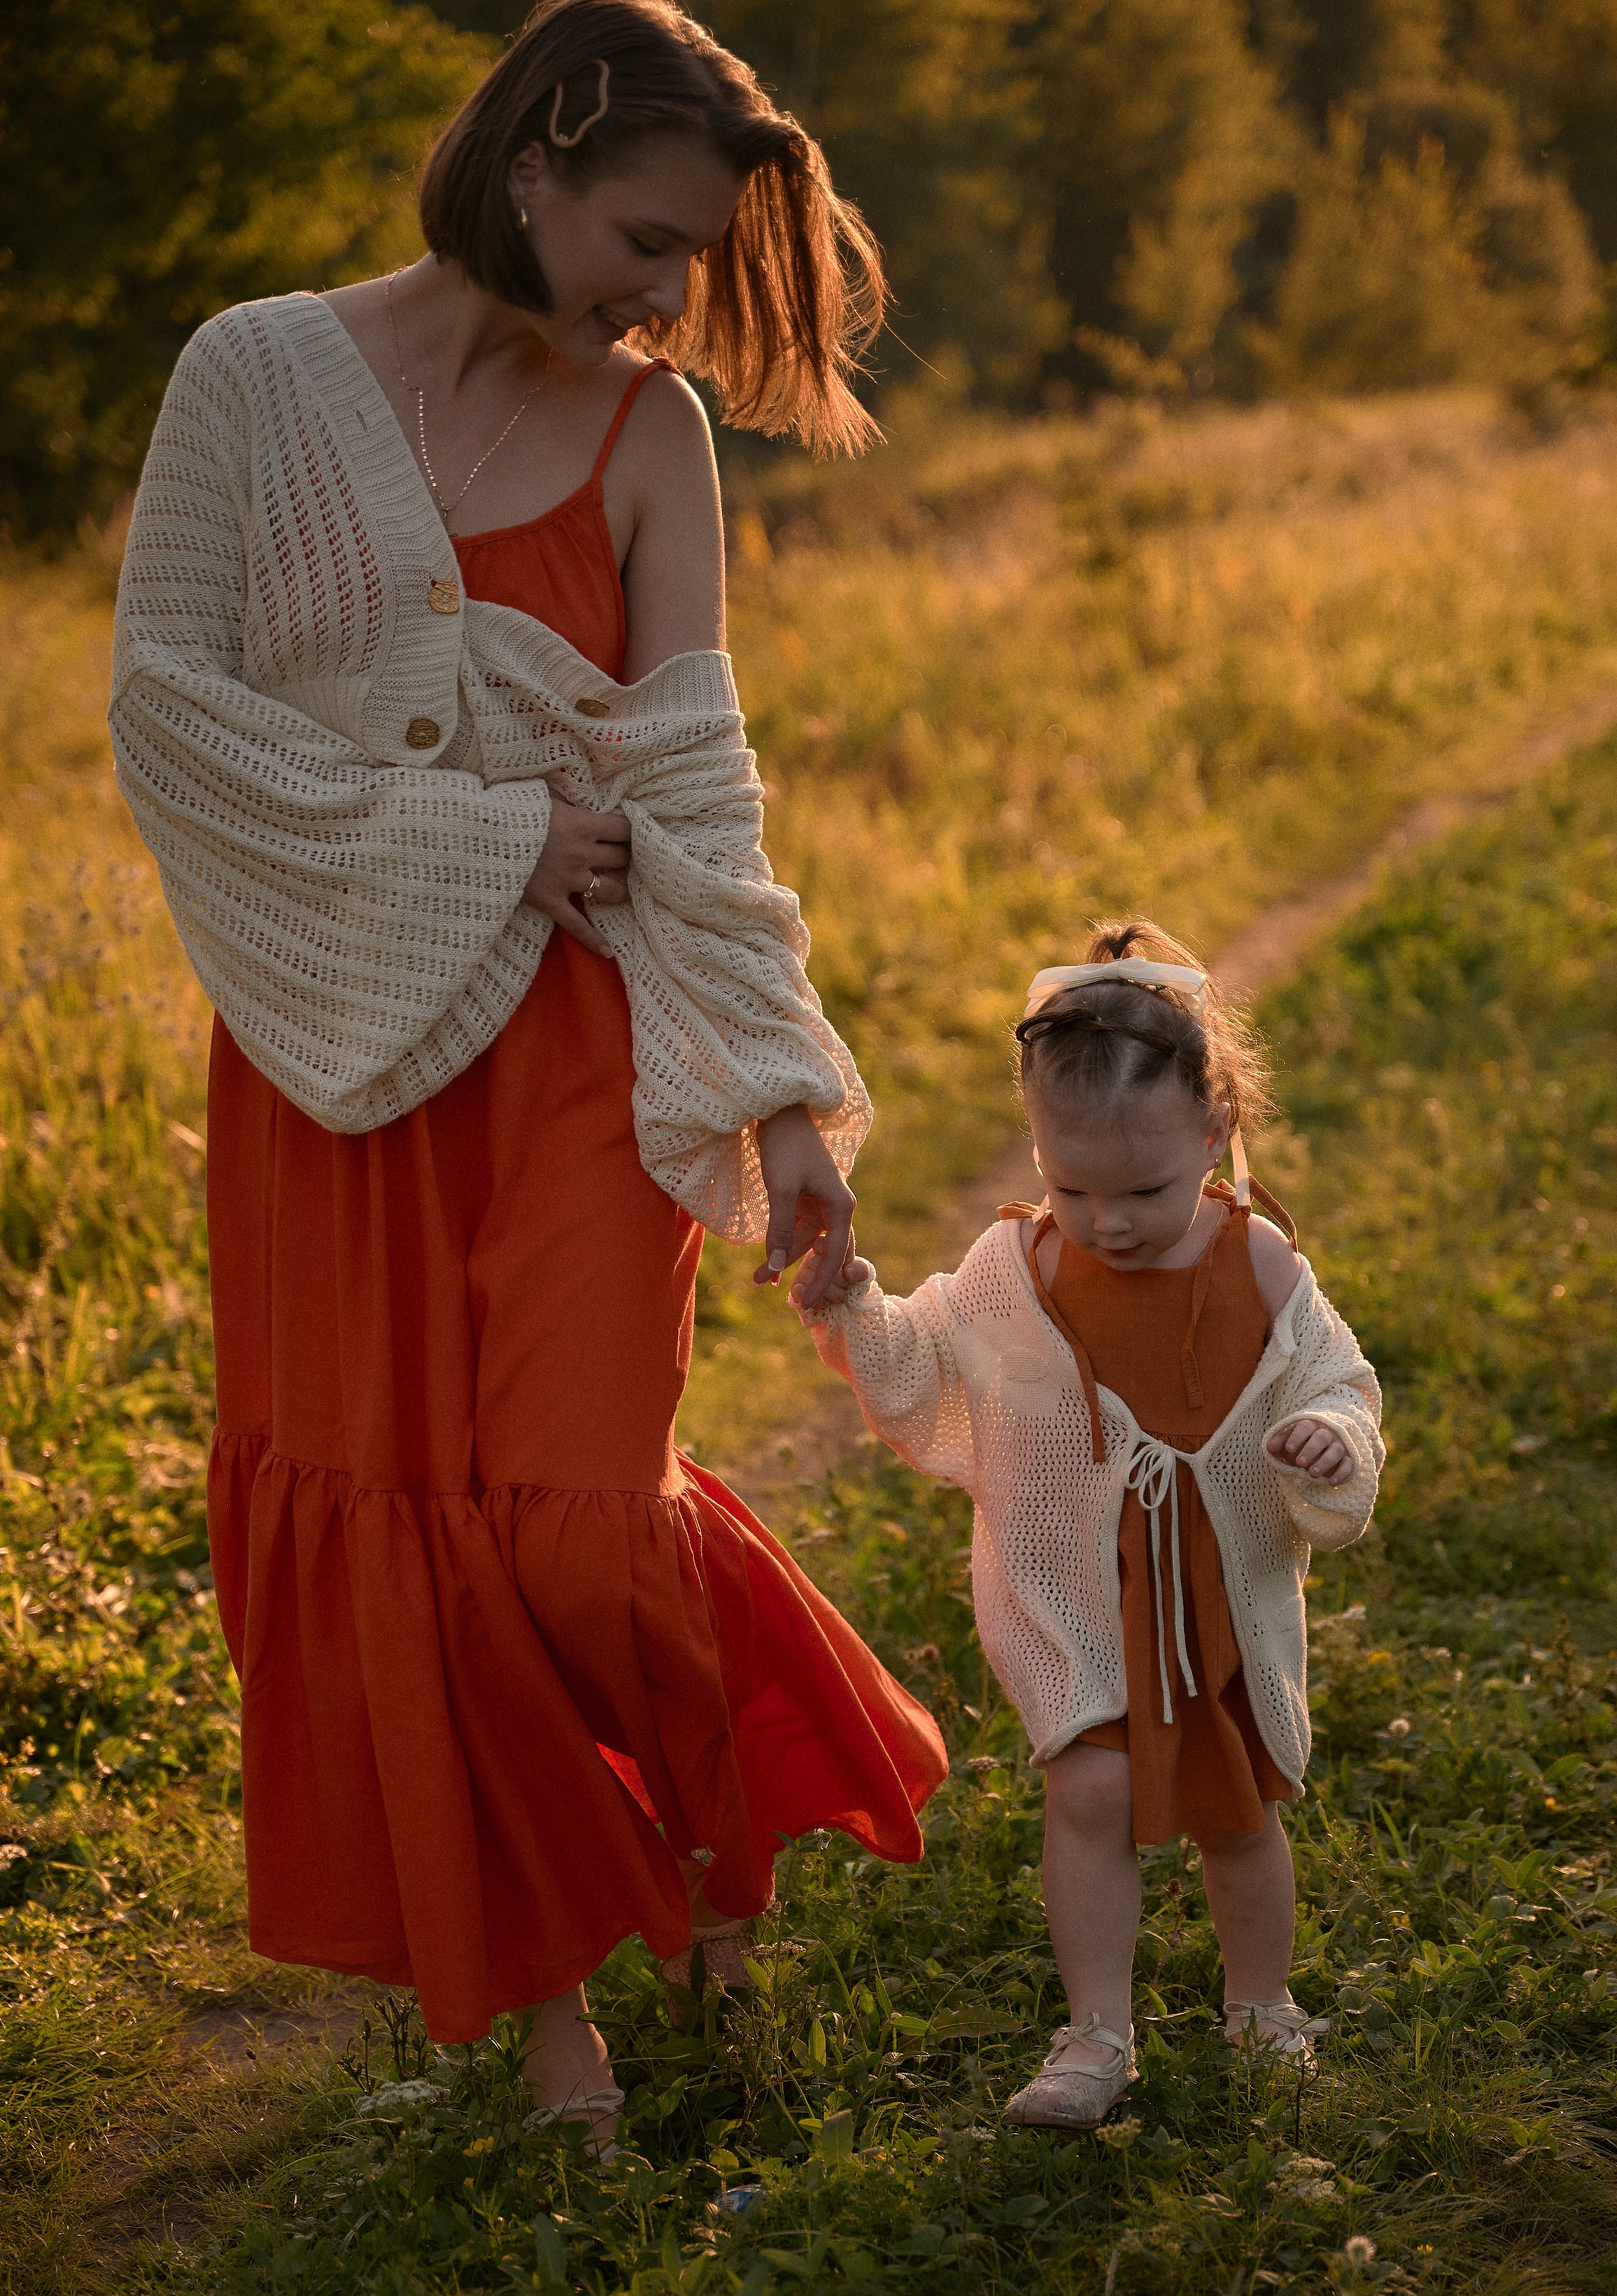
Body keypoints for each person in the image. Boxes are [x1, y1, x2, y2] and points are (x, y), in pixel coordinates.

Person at [108, 0, 945, 2149]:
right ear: (544, 145)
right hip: (336, 1049)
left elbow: (693, 784)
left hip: (586, 1035)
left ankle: (702, 1838)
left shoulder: (650, 435)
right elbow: (170, 716)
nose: (666, 298)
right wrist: (479, 835)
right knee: (408, 1524)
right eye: (649, 239)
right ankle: (553, 2014)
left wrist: (781, 1101)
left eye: (693, 265)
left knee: (579, 1519)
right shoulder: (257, 375)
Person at [798, 922, 1384, 2128]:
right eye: (1074, 1188)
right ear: (1036, 1152)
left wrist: (1334, 1432)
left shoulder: (1263, 1265)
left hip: (1216, 1598)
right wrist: (856, 1309)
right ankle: (1096, 2033)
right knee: (1092, 1796)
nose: (1107, 1222)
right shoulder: (1018, 1271)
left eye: (1146, 1192)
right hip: (1083, 1591)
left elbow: (1339, 1378)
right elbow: (928, 1360)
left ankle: (1261, 2005)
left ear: (1214, 1134)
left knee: (1238, 1811)